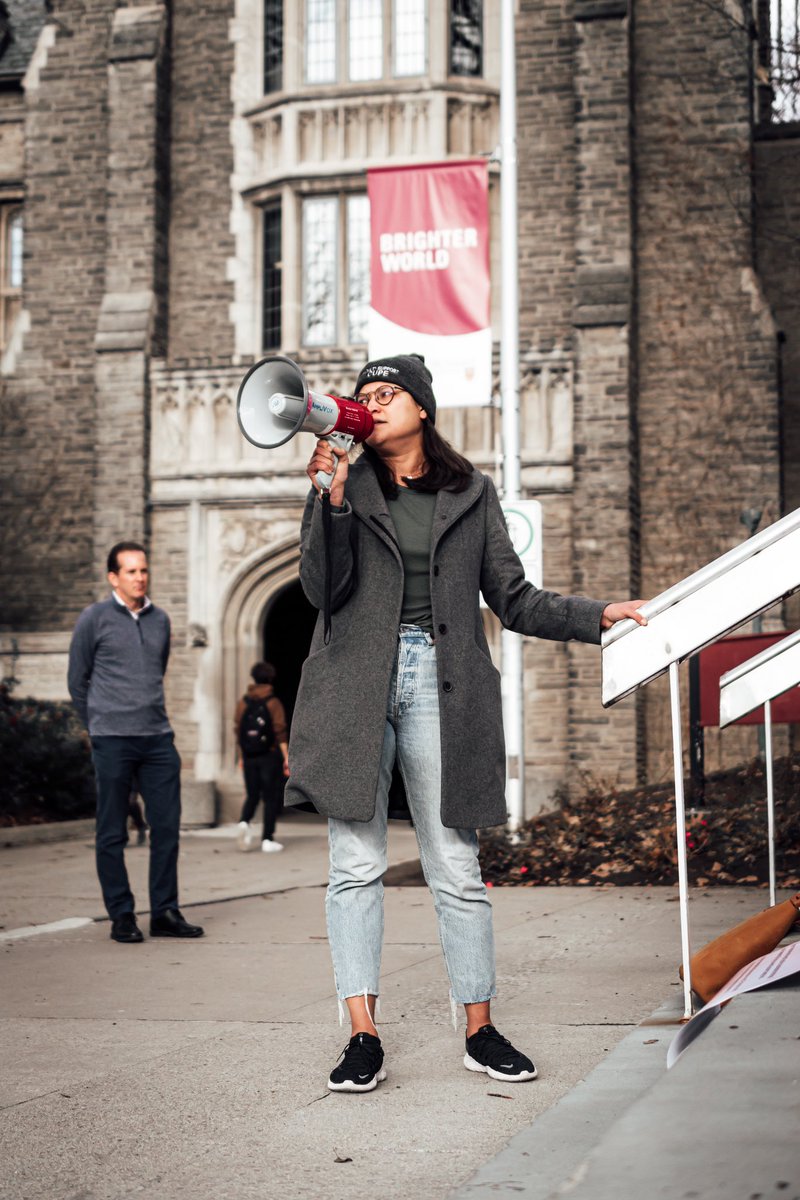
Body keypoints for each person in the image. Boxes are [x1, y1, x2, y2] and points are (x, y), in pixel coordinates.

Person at [285, 353, 647, 1094]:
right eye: (364, 395)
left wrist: (598, 615)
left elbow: (514, 600)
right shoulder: (345, 481)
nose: (371, 404)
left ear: (421, 408)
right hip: (356, 685)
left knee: (455, 866)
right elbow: (322, 590)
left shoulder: (470, 492)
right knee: (355, 866)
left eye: (387, 394)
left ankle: (479, 1030)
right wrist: (331, 499)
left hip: (439, 683)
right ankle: (362, 1034)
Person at [67, 541, 204, 944]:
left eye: (143, 570)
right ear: (114, 577)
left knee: (167, 829)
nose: (140, 577)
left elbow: (155, 671)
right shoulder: (93, 619)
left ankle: (164, 911)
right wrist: (95, 727)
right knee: (112, 832)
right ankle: (122, 915)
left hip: (158, 739)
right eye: (130, 571)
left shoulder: (160, 619)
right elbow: (78, 681)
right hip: (112, 738)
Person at [233, 661, 289, 853]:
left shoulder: (243, 702)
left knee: (252, 794)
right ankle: (267, 839)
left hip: (249, 755)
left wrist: (241, 756)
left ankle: (243, 822)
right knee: (270, 797)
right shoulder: (273, 703)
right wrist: (286, 757)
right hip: (269, 755)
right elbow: (280, 731)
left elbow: (238, 729)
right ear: (270, 679)